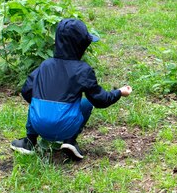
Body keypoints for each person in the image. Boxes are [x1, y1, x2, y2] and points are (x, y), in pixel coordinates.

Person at [10, 18, 132, 160]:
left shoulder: (45, 65)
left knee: (36, 100)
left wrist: (43, 107)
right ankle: (70, 141)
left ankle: (29, 141)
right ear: (82, 44)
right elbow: (100, 100)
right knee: (87, 103)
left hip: (38, 125)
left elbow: (26, 91)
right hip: (66, 127)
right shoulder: (83, 70)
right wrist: (119, 92)